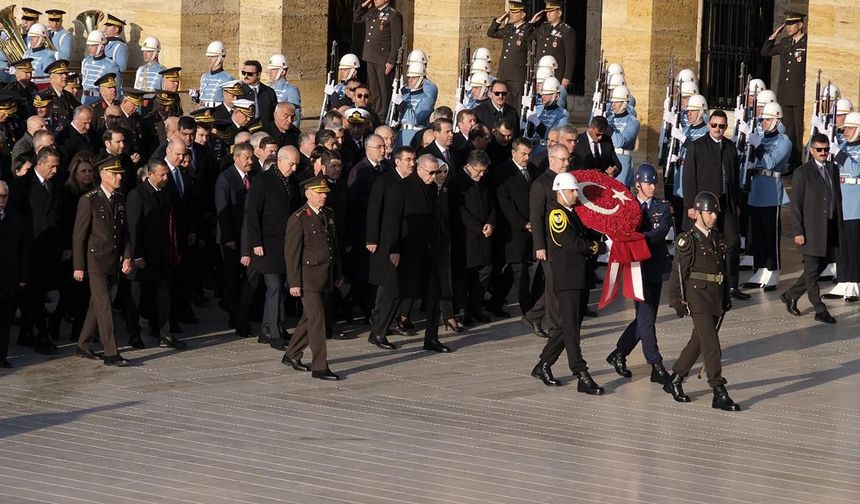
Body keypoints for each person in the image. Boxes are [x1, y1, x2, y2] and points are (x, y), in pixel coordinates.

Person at [665, 191, 739, 411]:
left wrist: (726, 296)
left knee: (698, 341)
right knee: (711, 345)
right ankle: (718, 389)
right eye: (709, 213)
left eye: (715, 213)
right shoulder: (687, 240)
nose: (714, 217)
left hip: (715, 295)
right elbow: (678, 272)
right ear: (697, 214)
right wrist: (677, 300)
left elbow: (721, 271)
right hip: (697, 297)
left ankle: (675, 378)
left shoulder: (716, 237)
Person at [530, 172, 604, 394]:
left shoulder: (573, 213)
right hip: (568, 277)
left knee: (569, 326)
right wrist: (596, 247)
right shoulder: (557, 215)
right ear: (560, 191)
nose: (575, 194)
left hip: (578, 276)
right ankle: (581, 373)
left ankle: (543, 365)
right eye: (572, 191)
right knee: (571, 328)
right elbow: (571, 242)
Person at [606, 164, 672, 384]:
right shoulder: (628, 205)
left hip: (656, 265)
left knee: (647, 317)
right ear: (637, 184)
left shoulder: (662, 206)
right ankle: (655, 364)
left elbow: (662, 230)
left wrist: (639, 239)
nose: (652, 187)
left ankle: (619, 354)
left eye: (654, 183)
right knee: (645, 315)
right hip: (636, 267)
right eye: (648, 183)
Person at [72, 156, 133, 366]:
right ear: (103, 175)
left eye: (120, 174)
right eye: (115, 174)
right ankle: (111, 352)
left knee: (95, 306)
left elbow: (125, 232)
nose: (119, 178)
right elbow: (79, 236)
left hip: (113, 259)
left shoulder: (120, 199)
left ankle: (84, 343)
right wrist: (79, 266)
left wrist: (127, 255)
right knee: (104, 305)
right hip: (95, 261)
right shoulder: (89, 199)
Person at [681, 110, 749, 301]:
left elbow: (734, 178)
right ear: (708, 124)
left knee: (733, 242)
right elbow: (689, 178)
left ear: (726, 127)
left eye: (721, 126)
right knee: (705, 243)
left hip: (726, 204)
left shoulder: (730, 147)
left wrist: (736, 204)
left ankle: (732, 285)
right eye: (714, 125)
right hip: (704, 206)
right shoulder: (697, 147)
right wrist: (690, 205)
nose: (717, 129)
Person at [282, 175, 343, 380]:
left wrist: (338, 273)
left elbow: (333, 247)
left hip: (325, 275)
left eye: (325, 192)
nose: (323, 196)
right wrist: (294, 282)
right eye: (319, 193)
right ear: (308, 194)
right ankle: (320, 366)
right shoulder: (298, 218)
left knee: (309, 319)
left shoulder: (328, 213)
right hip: (307, 278)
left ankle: (291, 354)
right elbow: (292, 254)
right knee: (317, 320)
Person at [239, 146, 299, 347]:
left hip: (284, 244)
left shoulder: (291, 181)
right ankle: (274, 333)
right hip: (266, 245)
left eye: (296, 163)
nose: (294, 167)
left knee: (280, 288)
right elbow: (252, 213)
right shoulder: (263, 181)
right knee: (273, 287)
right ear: (280, 160)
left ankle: (270, 328)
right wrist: (255, 243)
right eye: (291, 163)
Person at [781, 134, 842, 324]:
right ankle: (819, 308)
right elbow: (796, 205)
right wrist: (798, 231)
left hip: (830, 227)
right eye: (819, 150)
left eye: (826, 150)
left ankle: (791, 294)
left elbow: (836, 197)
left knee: (818, 267)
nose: (823, 153)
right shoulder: (802, 173)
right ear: (812, 151)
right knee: (812, 269)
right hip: (811, 229)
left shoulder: (832, 169)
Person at [125, 159, 185, 349]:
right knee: (137, 297)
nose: (166, 178)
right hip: (143, 257)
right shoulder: (137, 195)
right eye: (162, 175)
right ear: (150, 174)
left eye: (167, 174)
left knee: (164, 295)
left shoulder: (164, 193)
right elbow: (133, 228)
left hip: (162, 254)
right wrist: (136, 255)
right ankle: (134, 334)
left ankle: (164, 334)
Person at [366, 147, 416, 349]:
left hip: (405, 242)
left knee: (396, 288)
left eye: (413, 159)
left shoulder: (412, 182)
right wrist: (371, 239)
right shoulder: (384, 182)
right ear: (397, 161)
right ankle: (378, 329)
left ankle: (386, 324)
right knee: (389, 288)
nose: (412, 163)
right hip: (387, 243)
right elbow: (374, 211)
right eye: (408, 160)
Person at [743, 102, 791, 291]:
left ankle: (773, 270)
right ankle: (760, 268)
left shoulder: (783, 141)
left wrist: (757, 146)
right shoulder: (760, 137)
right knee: (758, 234)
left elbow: (770, 162)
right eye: (763, 119)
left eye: (768, 119)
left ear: (777, 120)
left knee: (771, 234)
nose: (763, 122)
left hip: (771, 191)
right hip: (756, 190)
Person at [493, 137, 541, 321]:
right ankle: (528, 310)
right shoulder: (503, 171)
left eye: (529, 154)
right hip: (513, 230)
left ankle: (496, 302)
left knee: (515, 268)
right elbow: (504, 203)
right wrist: (523, 223)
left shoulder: (532, 169)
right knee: (520, 270)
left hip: (531, 228)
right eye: (523, 154)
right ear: (513, 153)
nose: (527, 158)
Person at [450, 150, 496, 324]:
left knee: (484, 273)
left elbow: (491, 204)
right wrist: (479, 227)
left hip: (484, 236)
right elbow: (460, 211)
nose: (482, 174)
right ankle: (463, 311)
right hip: (466, 238)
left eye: (484, 171)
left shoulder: (483, 180)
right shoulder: (457, 183)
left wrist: (491, 223)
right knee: (464, 276)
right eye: (479, 171)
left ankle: (476, 308)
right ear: (469, 166)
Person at [215, 142, 255, 331]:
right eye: (246, 157)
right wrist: (229, 238)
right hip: (232, 237)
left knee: (247, 278)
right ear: (236, 158)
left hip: (248, 236)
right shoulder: (226, 178)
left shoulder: (253, 177)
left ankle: (244, 313)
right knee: (233, 278)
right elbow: (222, 209)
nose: (250, 161)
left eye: (251, 157)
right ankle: (234, 315)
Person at [761, 12, 807, 168]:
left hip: (799, 93)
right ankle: (789, 163)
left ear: (800, 25)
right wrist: (774, 35)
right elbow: (765, 52)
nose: (788, 27)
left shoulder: (807, 43)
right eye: (786, 24)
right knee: (788, 130)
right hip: (785, 93)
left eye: (791, 24)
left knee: (799, 130)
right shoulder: (786, 42)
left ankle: (797, 164)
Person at [827, 113, 860, 301]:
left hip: (856, 202)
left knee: (854, 245)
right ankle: (844, 279)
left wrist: (838, 152)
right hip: (840, 201)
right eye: (845, 128)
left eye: (849, 128)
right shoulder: (844, 146)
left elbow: (855, 170)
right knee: (842, 245)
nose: (845, 131)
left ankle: (855, 283)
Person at [354, 0, 403, 118]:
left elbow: (396, 40)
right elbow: (357, 18)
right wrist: (363, 5)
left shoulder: (393, 15)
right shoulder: (372, 12)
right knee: (374, 88)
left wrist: (392, 60)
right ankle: (375, 113)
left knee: (384, 90)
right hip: (370, 56)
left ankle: (384, 116)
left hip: (383, 58)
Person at [486, 1, 534, 108]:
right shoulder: (509, 28)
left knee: (516, 105)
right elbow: (491, 33)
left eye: (515, 12)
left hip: (517, 75)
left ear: (523, 15)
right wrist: (500, 19)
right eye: (510, 12)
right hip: (503, 73)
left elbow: (529, 47)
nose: (511, 15)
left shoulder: (527, 30)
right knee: (501, 103)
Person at [0, 180, 27, 368]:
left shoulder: (15, 217)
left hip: (8, 278)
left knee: (5, 319)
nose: (2, 200)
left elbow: (23, 248)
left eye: (4, 196)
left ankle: (1, 356)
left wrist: (23, 276)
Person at [528, 1, 576, 90]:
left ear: (559, 13)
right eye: (547, 12)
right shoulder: (543, 27)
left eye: (551, 11)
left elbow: (570, 57)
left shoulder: (566, 31)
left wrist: (567, 77)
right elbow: (527, 37)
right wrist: (532, 22)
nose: (548, 14)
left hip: (555, 74)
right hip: (540, 74)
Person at [605, 85, 640, 187]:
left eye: (617, 102)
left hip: (622, 160)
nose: (613, 104)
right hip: (608, 158)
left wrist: (608, 127)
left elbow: (619, 142)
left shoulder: (633, 122)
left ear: (625, 103)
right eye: (612, 102)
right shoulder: (609, 118)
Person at [80, 30, 122, 106]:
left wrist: (115, 104)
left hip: (100, 101)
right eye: (89, 45)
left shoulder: (111, 64)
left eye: (93, 45)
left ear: (101, 47)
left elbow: (117, 87)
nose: (89, 48)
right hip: (85, 98)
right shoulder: (85, 61)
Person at [195, 41, 234, 107]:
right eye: (208, 56)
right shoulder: (204, 76)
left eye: (213, 56)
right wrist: (195, 96)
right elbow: (202, 99)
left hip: (217, 114)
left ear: (221, 58)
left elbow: (230, 103)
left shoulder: (228, 78)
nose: (209, 59)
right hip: (202, 113)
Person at [266, 54, 302, 123]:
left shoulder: (291, 90)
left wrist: (293, 133)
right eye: (270, 70)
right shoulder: (268, 87)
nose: (270, 73)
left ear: (282, 72)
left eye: (273, 70)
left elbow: (295, 115)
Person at [240, 59, 277, 125]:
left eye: (250, 74)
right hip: (245, 132)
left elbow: (274, 115)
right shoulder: (238, 92)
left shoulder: (269, 92)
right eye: (244, 73)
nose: (245, 76)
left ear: (259, 74)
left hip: (266, 132)